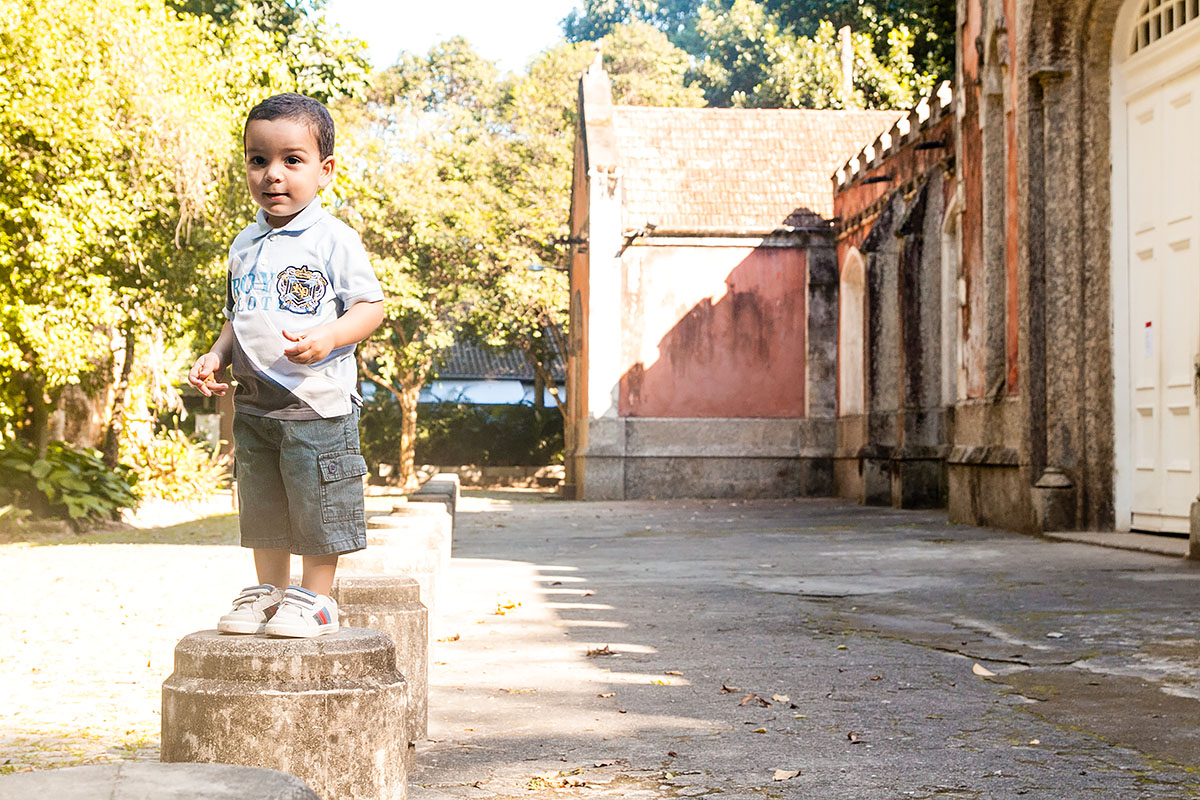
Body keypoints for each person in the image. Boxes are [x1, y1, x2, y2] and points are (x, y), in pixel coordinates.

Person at [187, 93, 384, 638]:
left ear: (325, 170)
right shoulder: (244, 244)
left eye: (292, 160)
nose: (273, 174)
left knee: (319, 501)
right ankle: (269, 593)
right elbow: (237, 317)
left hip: (317, 403)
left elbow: (370, 307)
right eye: (259, 160)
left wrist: (329, 337)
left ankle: (317, 599)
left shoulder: (334, 239)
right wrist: (216, 355)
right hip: (255, 405)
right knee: (263, 502)